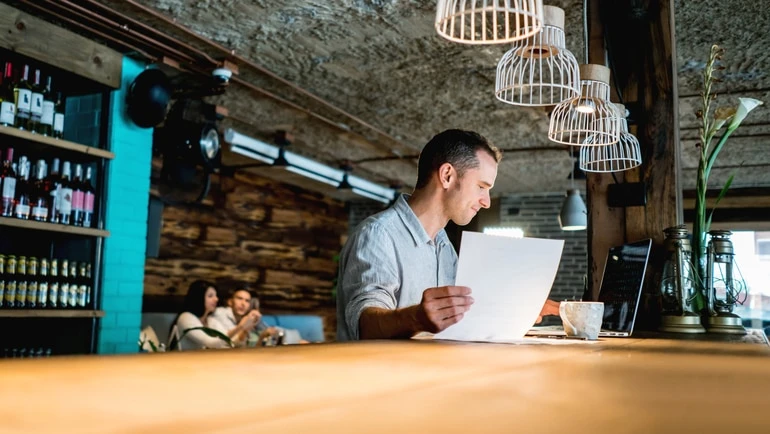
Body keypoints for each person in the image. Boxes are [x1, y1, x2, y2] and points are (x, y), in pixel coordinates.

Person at [336, 129, 559, 341]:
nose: (487, 201)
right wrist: (416, 318)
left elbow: (456, 316)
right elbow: (364, 325)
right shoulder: (378, 234)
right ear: (447, 176)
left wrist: (515, 310)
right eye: (481, 186)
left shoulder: (444, 246)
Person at [209, 288, 306, 346]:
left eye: (247, 301)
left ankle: (297, 341)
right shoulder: (220, 314)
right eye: (239, 299)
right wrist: (244, 326)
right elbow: (230, 342)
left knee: (281, 333)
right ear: (230, 302)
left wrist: (254, 323)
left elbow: (267, 330)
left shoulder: (245, 317)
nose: (243, 304)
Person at [168, 280, 232, 350]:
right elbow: (212, 343)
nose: (216, 299)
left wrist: (243, 330)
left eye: (216, 296)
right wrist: (241, 326)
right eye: (210, 296)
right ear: (199, 298)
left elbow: (230, 343)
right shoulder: (186, 317)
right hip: (184, 360)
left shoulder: (211, 320)